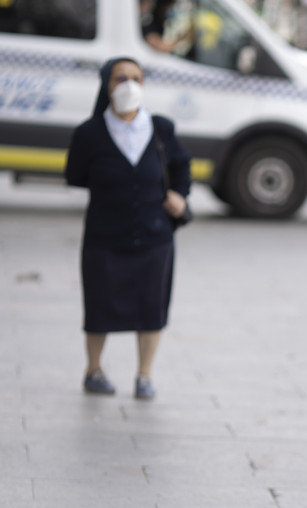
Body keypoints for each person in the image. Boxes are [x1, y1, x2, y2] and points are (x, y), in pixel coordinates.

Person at [66, 57, 191, 400]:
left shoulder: (161, 128)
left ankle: (144, 375)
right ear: (107, 85)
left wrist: (179, 195)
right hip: (105, 237)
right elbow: (74, 176)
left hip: (154, 237)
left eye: (136, 78)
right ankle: (93, 369)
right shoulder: (90, 133)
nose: (129, 85)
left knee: (152, 307)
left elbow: (181, 166)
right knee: (99, 306)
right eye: (120, 78)